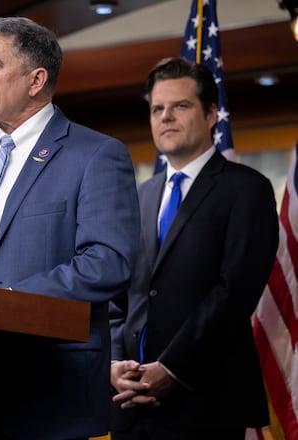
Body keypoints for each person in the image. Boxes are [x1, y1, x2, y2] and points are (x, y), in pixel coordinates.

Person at [0, 17, 140, 439]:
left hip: (43, 390)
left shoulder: (95, 155)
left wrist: (9, 301)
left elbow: (108, 261)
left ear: (36, 80)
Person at [108, 57, 278, 439]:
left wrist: (171, 368)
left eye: (180, 106)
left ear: (212, 114)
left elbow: (234, 293)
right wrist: (116, 363)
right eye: (157, 108)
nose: (165, 117)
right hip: (131, 403)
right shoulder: (139, 196)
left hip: (205, 401)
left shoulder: (247, 189)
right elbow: (117, 296)